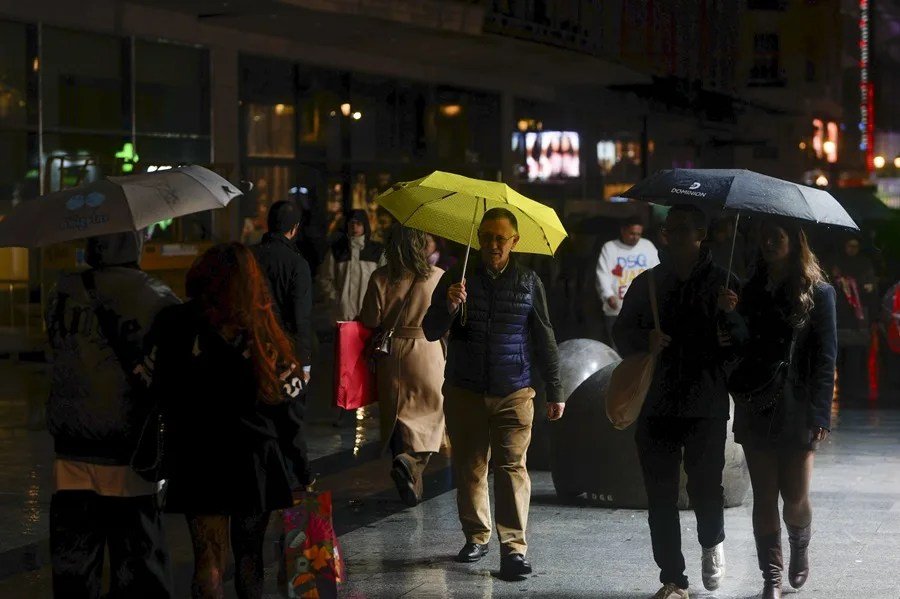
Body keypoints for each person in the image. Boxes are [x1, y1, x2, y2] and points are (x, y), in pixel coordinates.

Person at [145, 243, 311, 599]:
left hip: (197, 454)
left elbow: (158, 389)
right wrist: (301, 468)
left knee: (208, 561)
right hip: (255, 462)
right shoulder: (264, 330)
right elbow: (289, 410)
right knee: (250, 555)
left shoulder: (176, 322)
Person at [423, 207, 565, 581]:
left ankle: (514, 549)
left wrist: (556, 389)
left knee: (512, 469)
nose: (493, 245)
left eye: (501, 238)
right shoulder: (458, 276)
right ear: (478, 239)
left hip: (514, 390)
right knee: (470, 467)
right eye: (486, 237)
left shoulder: (529, 282)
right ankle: (476, 535)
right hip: (465, 389)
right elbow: (430, 330)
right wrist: (449, 305)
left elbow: (544, 336)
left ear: (514, 242)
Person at [45, 231, 179, 598]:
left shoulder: (62, 290)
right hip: (128, 449)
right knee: (138, 564)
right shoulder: (154, 294)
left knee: (74, 564)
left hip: (70, 448)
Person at [613, 204, 736, 599]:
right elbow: (622, 332)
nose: (677, 237)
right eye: (671, 230)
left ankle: (711, 539)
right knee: (660, 494)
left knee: (705, 487)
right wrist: (645, 340)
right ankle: (672, 578)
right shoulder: (649, 282)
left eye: (686, 230)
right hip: (657, 403)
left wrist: (729, 320)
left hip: (706, 403)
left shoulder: (725, 284)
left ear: (702, 234)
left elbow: (745, 345)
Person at [718, 219, 837, 599]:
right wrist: (729, 315)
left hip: (798, 406)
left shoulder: (819, 293)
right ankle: (771, 575)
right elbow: (741, 347)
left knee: (796, 495)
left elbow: (825, 359)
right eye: (763, 235)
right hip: (757, 402)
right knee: (765, 494)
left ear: (795, 242)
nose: (768, 242)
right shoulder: (750, 289)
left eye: (777, 236)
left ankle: (799, 546)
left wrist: (820, 413)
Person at [360, 224, 446, 507]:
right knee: (433, 416)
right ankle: (411, 464)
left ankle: (406, 467)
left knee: (398, 415)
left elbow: (370, 319)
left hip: (392, 354)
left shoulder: (380, 277)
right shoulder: (438, 277)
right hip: (428, 351)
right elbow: (449, 321)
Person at [253, 200, 314, 384]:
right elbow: (301, 317)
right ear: (294, 228)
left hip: (252, 343)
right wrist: (304, 363)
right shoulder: (297, 264)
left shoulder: (249, 256)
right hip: (283, 349)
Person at [595, 216, 660, 349]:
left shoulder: (647, 246)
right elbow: (602, 274)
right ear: (623, 231)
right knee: (617, 347)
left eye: (638, 234)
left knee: (640, 349)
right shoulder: (610, 247)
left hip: (643, 309)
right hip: (616, 309)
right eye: (632, 233)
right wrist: (608, 295)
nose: (635, 237)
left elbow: (657, 271)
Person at [829, 236, 877, 401]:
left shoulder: (864, 264)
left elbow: (870, 288)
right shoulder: (837, 262)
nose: (852, 249)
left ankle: (852, 391)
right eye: (850, 245)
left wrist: (858, 286)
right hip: (840, 317)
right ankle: (840, 389)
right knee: (838, 357)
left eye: (855, 246)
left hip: (857, 319)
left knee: (855, 357)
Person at [318, 209, 384, 322]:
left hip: (370, 313)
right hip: (343, 313)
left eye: (358, 223)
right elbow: (325, 278)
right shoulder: (337, 250)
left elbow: (384, 281)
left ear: (365, 226)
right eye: (351, 223)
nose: (354, 227)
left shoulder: (376, 251)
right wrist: (336, 299)